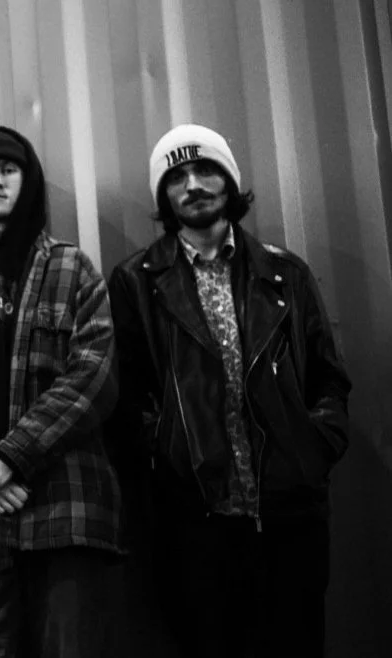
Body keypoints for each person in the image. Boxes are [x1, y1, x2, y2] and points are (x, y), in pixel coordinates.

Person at [106, 124, 351, 658]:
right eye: (176, 177)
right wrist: (163, 455)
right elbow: (125, 396)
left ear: (230, 180)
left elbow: (328, 377)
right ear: (164, 196)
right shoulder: (135, 282)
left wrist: (314, 446)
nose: (192, 185)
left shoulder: (285, 273)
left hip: (290, 515)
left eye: (205, 170)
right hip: (194, 521)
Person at [0, 126, 123, 657]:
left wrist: (11, 457)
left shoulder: (72, 267)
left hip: (67, 507)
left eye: (8, 170)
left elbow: (93, 375)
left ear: (27, 180)